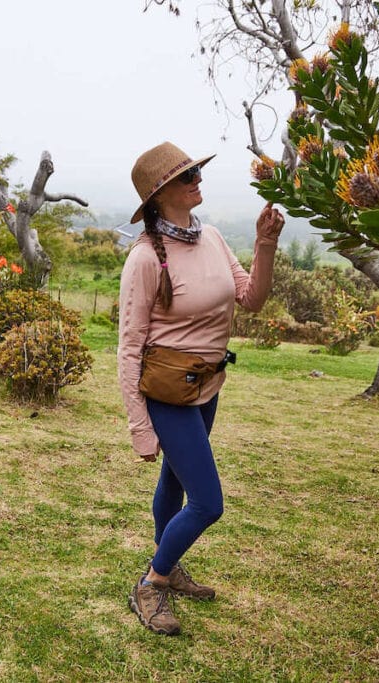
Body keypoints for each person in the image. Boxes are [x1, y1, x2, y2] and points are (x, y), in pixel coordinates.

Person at [117, 141, 284, 635]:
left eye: (195, 171)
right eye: (185, 175)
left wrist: (265, 244)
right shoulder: (146, 258)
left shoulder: (210, 237)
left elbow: (250, 297)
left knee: (174, 482)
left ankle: (167, 565)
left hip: (206, 386)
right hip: (167, 393)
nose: (196, 180)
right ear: (159, 193)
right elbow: (129, 348)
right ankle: (151, 582)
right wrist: (139, 427)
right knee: (208, 503)